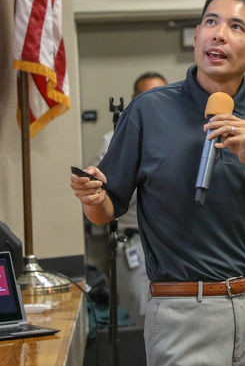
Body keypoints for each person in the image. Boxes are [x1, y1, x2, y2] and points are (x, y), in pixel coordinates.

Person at [71, 0, 245, 366]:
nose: (218, 33)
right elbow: (106, 210)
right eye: (210, 22)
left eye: (236, 26)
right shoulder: (148, 111)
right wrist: (92, 197)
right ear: (197, 37)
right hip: (181, 311)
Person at [92, 72, 167, 325]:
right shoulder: (115, 139)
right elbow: (113, 192)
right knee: (139, 312)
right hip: (135, 240)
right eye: (148, 96)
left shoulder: (179, 135)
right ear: (135, 100)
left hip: (174, 242)